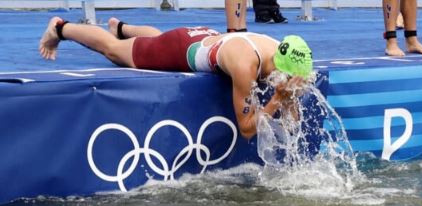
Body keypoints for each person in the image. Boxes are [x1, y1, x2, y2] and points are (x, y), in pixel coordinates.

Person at [38, 17, 312, 140]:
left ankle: (122, 28)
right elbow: (247, 129)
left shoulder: (281, 48)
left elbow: (292, 120)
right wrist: (277, 99)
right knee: (114, 51)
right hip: (181, 49)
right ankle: (61, 28)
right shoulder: (245, 65)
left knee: (156, 41)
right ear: (279, 67)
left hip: (203, 37)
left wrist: (290, 101)